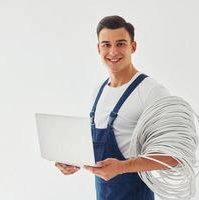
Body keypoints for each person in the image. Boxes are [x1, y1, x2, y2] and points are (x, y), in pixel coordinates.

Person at [55, 15, 179, 200]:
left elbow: (174, 157)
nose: (113, 51)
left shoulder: (150, 91)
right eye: (106, 44)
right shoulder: (99, 91)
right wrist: (73, 161)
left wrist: (121, 167)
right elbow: (97, 150)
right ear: (98, 48)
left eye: (120, 43)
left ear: (133, 47)